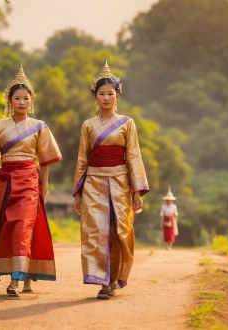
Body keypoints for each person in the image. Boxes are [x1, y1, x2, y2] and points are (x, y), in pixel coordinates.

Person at [0, 65, 62, 297]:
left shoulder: (39, 126)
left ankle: (15, 280)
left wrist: (44, 187)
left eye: (25, 98)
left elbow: (45, 161)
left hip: (29, 182)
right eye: (17, 98)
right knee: (10, 228)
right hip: (4, 183)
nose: (21, 102)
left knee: (23, 226)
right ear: (9, 100)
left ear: (31, 100)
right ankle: (27, 275)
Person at [73, 61, 149, 300]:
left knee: (119, 231)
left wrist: (137, 190)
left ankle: (115, 277)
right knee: (97, 231)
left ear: (117, 96)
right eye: (101, 93)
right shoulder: (88, 125)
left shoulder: (128, 123)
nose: (106, 97)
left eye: (110, 93)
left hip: (120, 182)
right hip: (93, 182)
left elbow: (133, 155)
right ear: (95, 96)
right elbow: (82, 160)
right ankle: (103, 282)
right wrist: (78, 191)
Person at [160, 185, 178, 250]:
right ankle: (167, 246)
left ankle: (170, 246)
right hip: (165, 220)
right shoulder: (163, 206)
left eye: (170, 200)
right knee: (166, 234)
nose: (169, 201)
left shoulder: (174, 206)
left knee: (171, 234)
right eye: (168, 200)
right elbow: (162, 215)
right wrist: (161, 224)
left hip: (172, 220)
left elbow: (175, 214)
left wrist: (174, 219)